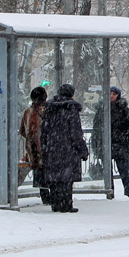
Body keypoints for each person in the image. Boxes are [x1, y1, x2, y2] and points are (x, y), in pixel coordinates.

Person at [40, 83, 89, 212]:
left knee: (55, 179)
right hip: (67, 150)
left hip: (52, 149)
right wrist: (83, 150)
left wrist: (45, 146)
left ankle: (56, 204)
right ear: (71, 94)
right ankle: (66, 205)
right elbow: (76, 133)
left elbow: (44, 130)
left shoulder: (49, 109)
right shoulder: (71, 110)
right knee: (66, 180)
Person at [19, 86, 49, 203]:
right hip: (48, 148)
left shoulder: (27, 112)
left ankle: (44, 196)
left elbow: (22, 130)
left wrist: (31, 139)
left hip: (34, 151)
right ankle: (53, 197)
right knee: (49, 173)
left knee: (39, 173)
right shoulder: (49, 110)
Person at [108, 87, 129, 200]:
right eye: (110, 93)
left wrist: (128, 144)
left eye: (114, 94)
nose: (111, 96)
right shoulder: (105, 109)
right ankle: (110, 193)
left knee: (124, 172)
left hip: (120, 145)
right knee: (108, 174)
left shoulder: (123, 110)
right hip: (111, 144)